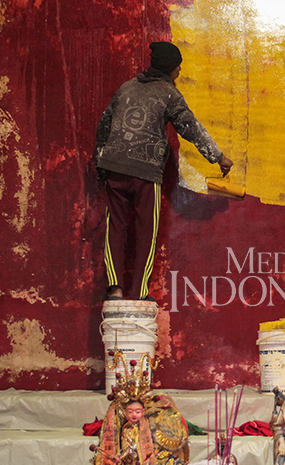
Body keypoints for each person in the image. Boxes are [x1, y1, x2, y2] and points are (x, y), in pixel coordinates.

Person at [95, 41, 234, 300]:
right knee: (147, 230)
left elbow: (104, 125)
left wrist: (100, 166)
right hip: (145, 171)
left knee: (116, 226)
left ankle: (114, 289)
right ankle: (138, 294)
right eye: (178, 66)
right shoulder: (168, 94)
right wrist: (218, 157)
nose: (180, 70)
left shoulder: (126, 87)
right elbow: (190, 127)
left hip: (114, 166)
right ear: (170, 68)